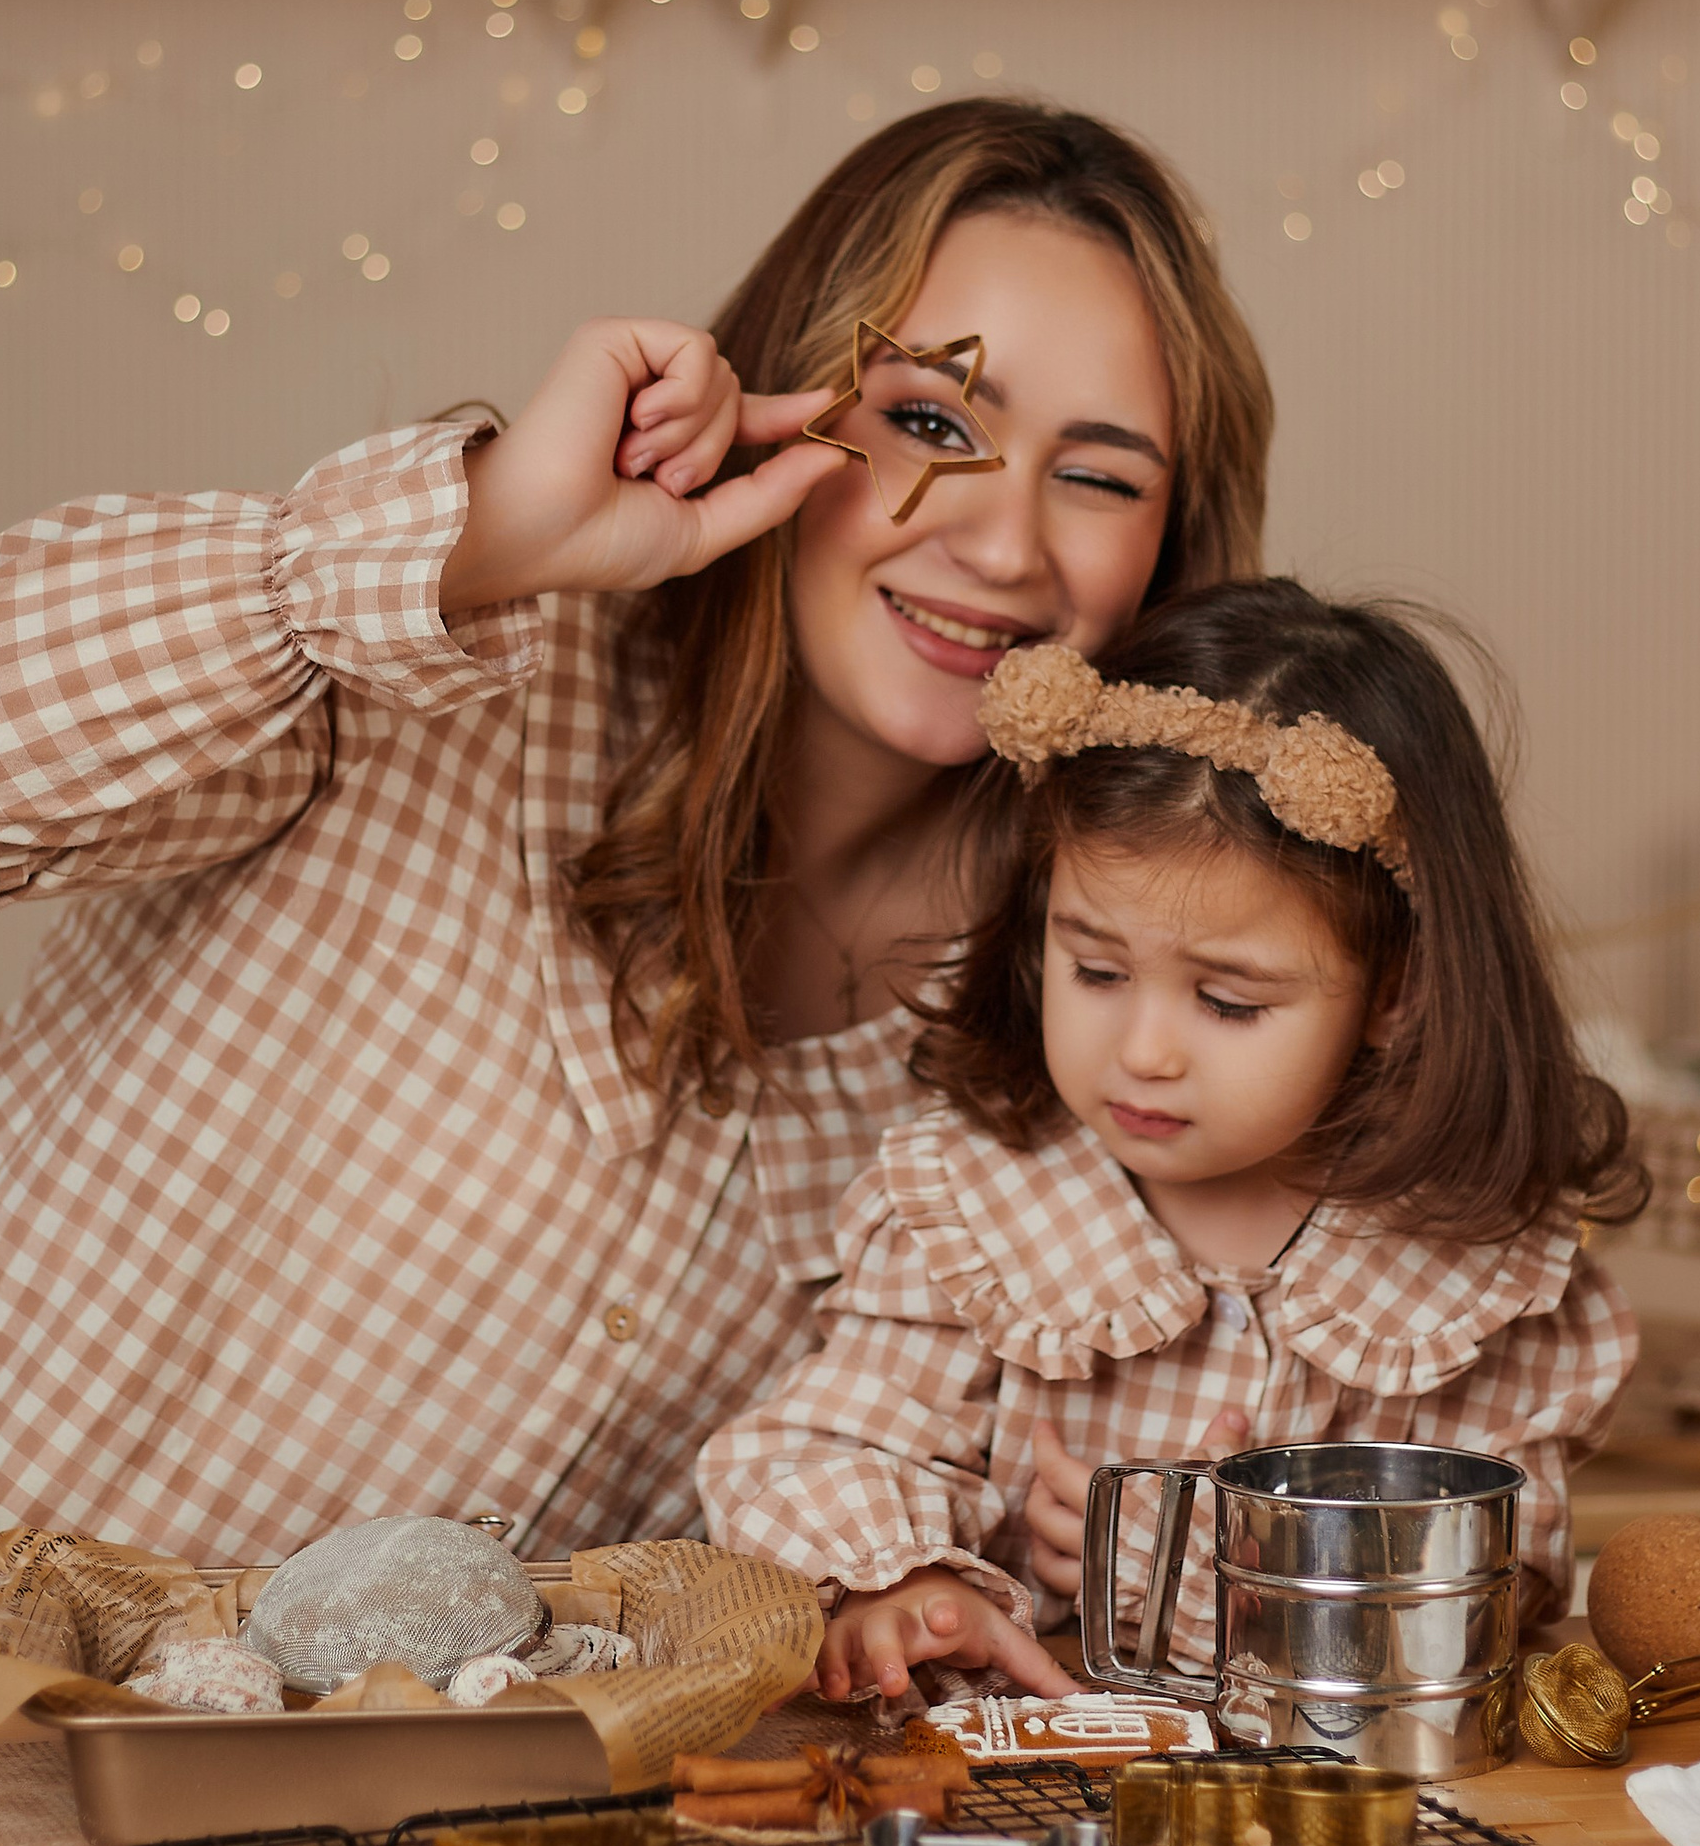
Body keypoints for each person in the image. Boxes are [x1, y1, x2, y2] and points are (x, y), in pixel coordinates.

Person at [0, 101, 1272, 1681]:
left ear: (1170, 550)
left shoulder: (1082, 1008)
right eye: (926, 418)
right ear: (784, 398)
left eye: (1100, 473)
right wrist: (476, 536)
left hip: (244, 1835)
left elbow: (909, 1477)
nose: (1004, 538)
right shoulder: (457, 651)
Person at [698, 580, 1646, 1703]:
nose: (1142, 1049)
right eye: (1094, 970)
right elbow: (812, 1448)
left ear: (1397, 992)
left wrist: (1225, 1573)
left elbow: (1503, 1578)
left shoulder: (1470, 1272)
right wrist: (898, 1582)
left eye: (1229, 1002)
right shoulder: (975, 1207)